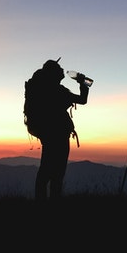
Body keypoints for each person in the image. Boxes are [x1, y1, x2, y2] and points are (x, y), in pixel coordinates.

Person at [26, 58, 90, 202]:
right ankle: (53, 202)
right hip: (58, 135)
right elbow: (82, 100)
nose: (62, 70)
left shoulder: (43, 90)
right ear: (53, 73)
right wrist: (83, 82)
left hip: (48, 134)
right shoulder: (57, 91)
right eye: (59, 69)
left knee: (46, 169)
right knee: (57, 172)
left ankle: (41, 201)